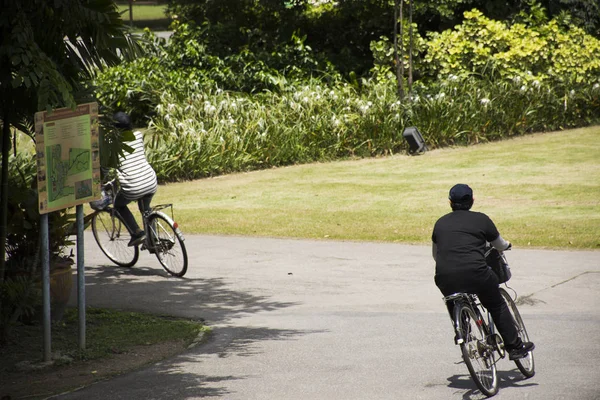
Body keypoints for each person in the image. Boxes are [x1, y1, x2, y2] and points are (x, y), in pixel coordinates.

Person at [431, 183, 535, 360]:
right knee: (496, 304)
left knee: (453, 297)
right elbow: (500, 244)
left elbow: (435, 255)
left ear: (450, 202)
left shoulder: (440, 223)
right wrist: (508, 245)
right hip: (477, 273)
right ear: (472, 200)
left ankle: (463, 332)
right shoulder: (481, 220)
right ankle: (515, 346)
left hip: (444, 276)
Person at [112, 112, 158, 247]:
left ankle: (137, 232)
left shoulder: (113, 144)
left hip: (133, 185)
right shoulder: (137, 136)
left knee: (118, 205)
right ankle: (154, 239)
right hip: (150, 180)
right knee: (145, 208)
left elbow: (107, 166)